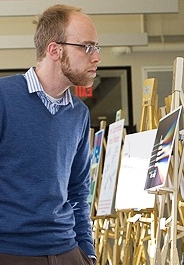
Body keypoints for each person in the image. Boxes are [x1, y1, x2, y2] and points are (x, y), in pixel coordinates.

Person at [0, 4, 100, 265]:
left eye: (96, 47)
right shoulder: (3, 98)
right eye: (87, 47)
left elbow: (78, 190)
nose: (97, 57)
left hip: (68, 252)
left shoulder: (79, 113)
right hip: (11, 252)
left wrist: (87, 251)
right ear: (54, 50)